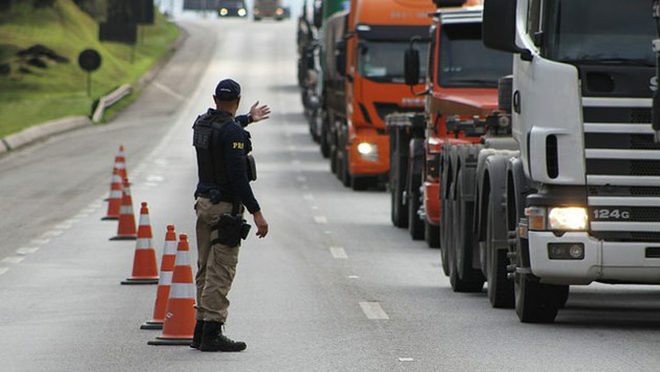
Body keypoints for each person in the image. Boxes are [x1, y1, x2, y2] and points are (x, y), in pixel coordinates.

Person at [190, 79, 270, 352]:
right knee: (221, 270)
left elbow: (221, 130)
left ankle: (199, 328)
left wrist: (248, 119)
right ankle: (212, 331)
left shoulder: (201, 124)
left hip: (203, 204)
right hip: (224, 208)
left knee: (204, 267)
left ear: (214, 99)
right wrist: (257, 212)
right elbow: (238, 177)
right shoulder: (232, 133)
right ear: (236, 101)